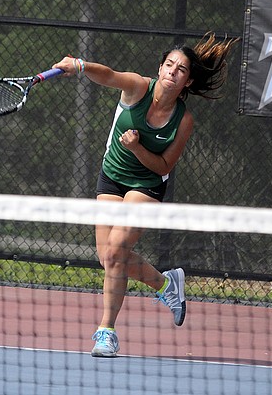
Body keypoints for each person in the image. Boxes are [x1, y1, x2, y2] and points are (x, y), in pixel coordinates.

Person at [53, 33, 238, 358]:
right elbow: (108, 75)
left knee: (118, 248)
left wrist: (137, 146)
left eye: (180, 69)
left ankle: (106, 332)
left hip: (148, 183)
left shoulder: (184, 121)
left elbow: (165, 163)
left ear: (187, 81)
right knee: (109, 258)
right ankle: (167, 285)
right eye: (169, 65)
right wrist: (79, 65)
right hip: (112, 177)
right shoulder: (138, 87)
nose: (172, 72)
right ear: (160, 68)